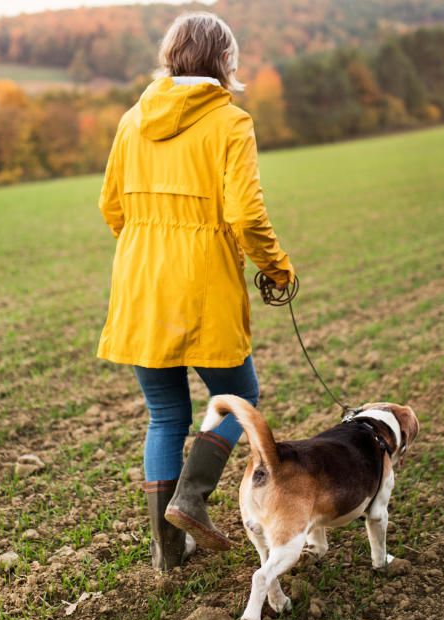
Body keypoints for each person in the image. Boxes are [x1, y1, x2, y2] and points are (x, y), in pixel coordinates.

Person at [95, 11, 296, 571]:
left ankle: (166, 551)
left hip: (140, 285)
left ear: (171, 57)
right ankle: (191, 498)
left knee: (165, 416)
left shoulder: (132, 119)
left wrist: (148, 248)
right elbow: (246, 215)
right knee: (240, 397)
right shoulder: (231, 122)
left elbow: (111, 207)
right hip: (203, 283)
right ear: (225, 60)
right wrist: (277, 268)